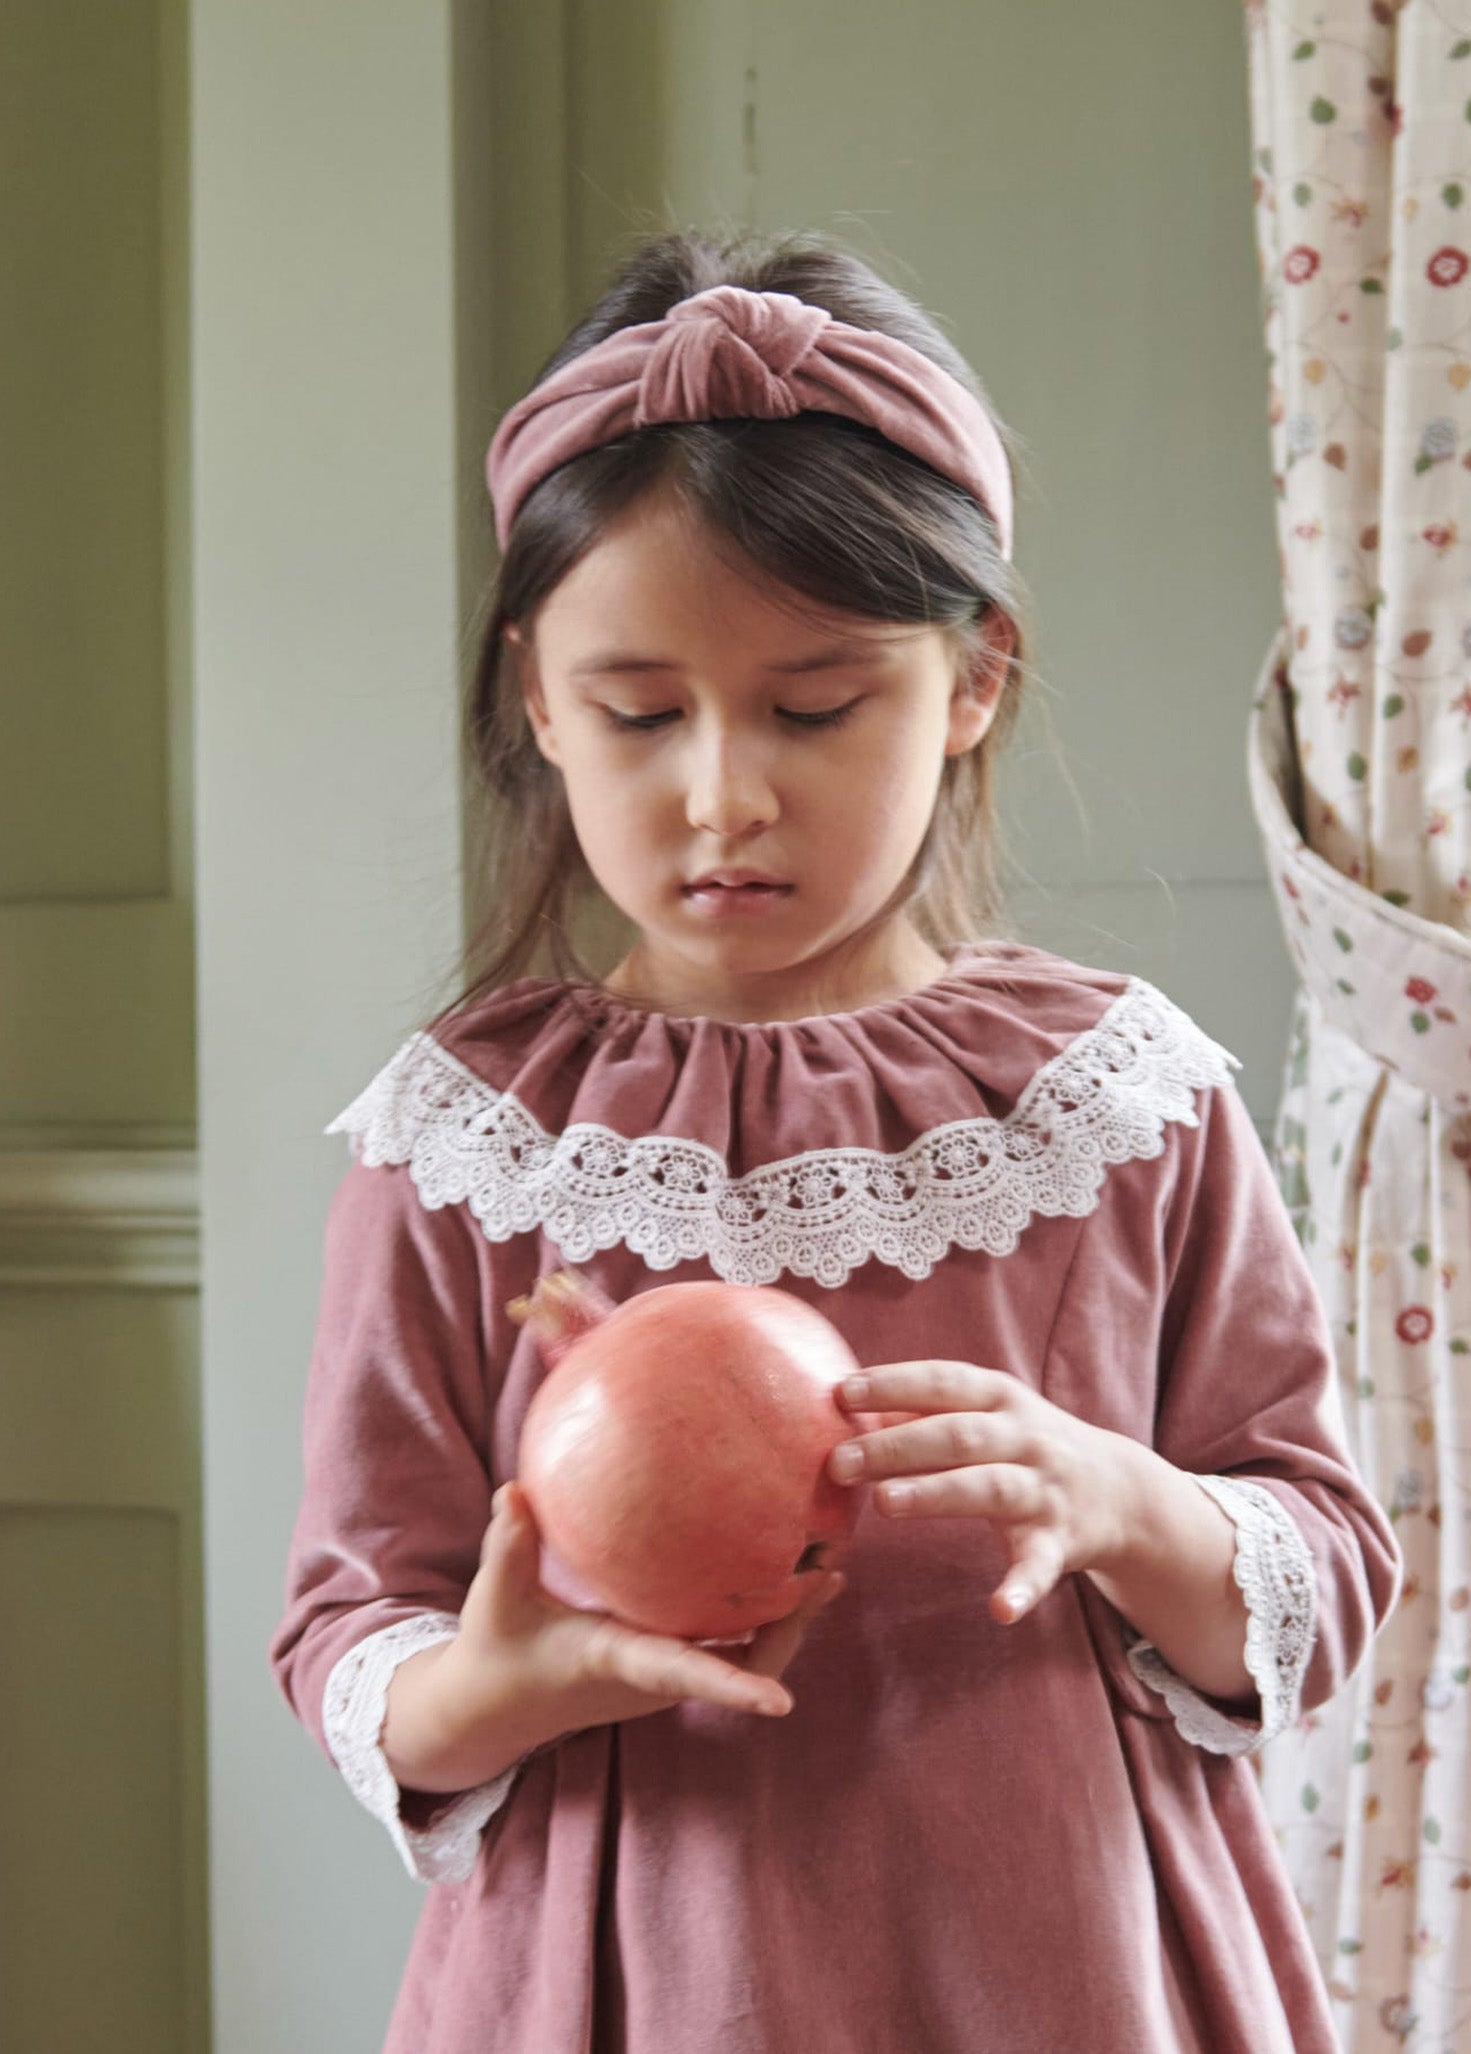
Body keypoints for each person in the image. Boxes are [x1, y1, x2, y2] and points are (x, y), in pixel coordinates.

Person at [269, 226, 1402, 2054]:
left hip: (1077, 1967)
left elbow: (1324, 1558)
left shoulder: (1124, 1100)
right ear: (537, 698)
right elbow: (351, 1626)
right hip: (639, 1983)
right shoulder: (469, 1142)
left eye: (815, 705)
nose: (725, 790)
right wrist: (491, 1686)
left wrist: (1124, 1499)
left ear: (972, 683)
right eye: (641, 711)